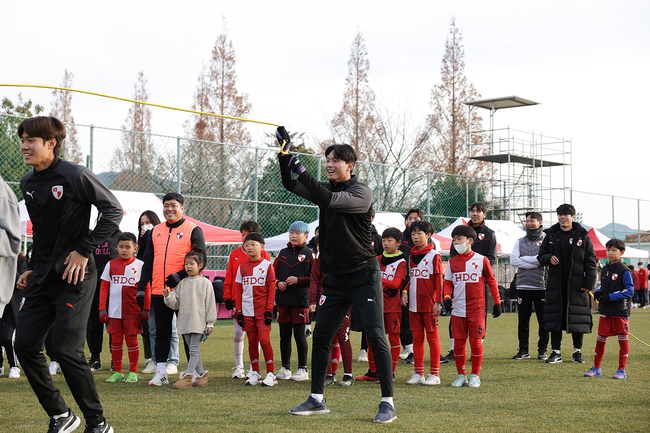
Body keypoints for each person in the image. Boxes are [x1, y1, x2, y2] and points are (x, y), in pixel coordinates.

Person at [277, 127, 395, 423]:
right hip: (335, 279)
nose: (329, 164)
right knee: (321, 335)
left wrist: (299, 165)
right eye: (327, 160)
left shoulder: (360, 192)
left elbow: (328, 199)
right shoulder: (326, 191)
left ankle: (387, 402)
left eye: (335, 160)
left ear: (350, 166)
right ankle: (317, 398)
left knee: (374, 333)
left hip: (363, 275)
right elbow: (290, 184)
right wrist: (284, 155)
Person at [15, 116, 121, 432]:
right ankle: (61, 415)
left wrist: (84, 248)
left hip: (77, 276)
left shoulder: (75, 175)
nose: (23, 145)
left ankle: (98, 423)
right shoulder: (27, 183)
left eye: (30, 140)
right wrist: (33, 266)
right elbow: (46, 235)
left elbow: (113, 210)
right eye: (21, 139)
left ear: (51, 143)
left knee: (64, 349)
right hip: (43, 276)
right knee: (25, 345)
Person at [137, 192, 206, 386]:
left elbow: (202, 260)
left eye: (173, 205)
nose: (169, 209)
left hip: (185, 291)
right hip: (160, 291)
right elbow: (148, 261)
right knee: (161, 332)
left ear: (182, 208)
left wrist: (181, 276)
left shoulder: (193, 229)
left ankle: (192, 372)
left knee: (188, 333)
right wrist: (142, 287)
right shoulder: (155, 231)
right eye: (166, 205)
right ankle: (161, 372)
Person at [537, 203, 597, 364]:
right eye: (560, 215)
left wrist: (589, 281)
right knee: (555, 319)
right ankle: (556, 352)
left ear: (573, 217)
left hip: (577, 285)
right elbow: (540, 256)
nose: (562, 217)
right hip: (556, 284)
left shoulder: (583, 236)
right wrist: (548, 258)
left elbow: (590, 261)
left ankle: (577, 352)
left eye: (566, 215)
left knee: (577, 318)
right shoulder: (550, 236)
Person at [443, 225, 501, 388]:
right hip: (458, 309)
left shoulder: (482, 260)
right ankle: (461, 375)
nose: (456, 243)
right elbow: (447, 282)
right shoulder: (452, 261)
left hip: (477, 310)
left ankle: (475, 375)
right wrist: (447, 297)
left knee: (476, 343)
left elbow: (491, 280)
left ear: (470, 241)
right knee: (459, 344)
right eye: (453, 240)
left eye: (459, 239)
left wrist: (497, 302)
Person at [444, 202, 497, 363]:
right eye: (472, 211)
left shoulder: (490, 234)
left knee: (479, 319)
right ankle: (454, 350)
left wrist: (474, 264)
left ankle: (477, 349)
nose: (474, 214)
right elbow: (453, 254)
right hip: (459, 282)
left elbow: (492, 259)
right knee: (455, 316)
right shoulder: (460, 232)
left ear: (484, 214)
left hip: (479, 282)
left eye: (478, 211)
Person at [99, 232, 151, 384]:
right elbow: (104, 288)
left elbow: (147, 288)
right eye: (121, 247)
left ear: (135, 248)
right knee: (115, 341)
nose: (124, 250)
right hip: (114, 311)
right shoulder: (111, 264)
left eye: (128, 247)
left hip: (133, 311)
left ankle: (133, 372)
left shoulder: (140, 265)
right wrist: (102, 308)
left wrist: (146, 308)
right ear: (116, 248)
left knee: (132, 341)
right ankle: (118, 372)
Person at [357, 228, 407, 383]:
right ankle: (373, 372)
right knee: (372, 338)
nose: (385, 243)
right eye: (384, 240)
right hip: (375, 304)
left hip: (392, 306)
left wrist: (378, 278)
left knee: (393, 339)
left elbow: (396, 284)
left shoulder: (402, 262)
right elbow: (367, 278)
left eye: (390, 240)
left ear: (398, 243)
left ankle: (390, 373)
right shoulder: (377, 259)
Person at [223, 221, 271, 379]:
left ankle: (254, 368)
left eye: (247, 235)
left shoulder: (264, 255)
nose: (244, 240)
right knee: (238, 333)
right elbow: (230, 276)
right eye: (242, 235)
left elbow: (269, 283)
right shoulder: (235, 254)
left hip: (259, 306)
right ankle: (239, 367)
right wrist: (227, 296)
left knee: (257, 337)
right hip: (240, 304)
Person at [163, 247, 216, 388]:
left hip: (199, 323)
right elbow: (175, 304)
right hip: (184, 322)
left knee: (193, 351)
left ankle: (187, 377)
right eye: (186, 264)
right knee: (194, 351)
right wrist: (168, 296)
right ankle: (202, 374)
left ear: (200, 266)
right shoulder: (181, 283)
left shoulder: (206, 283)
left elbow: (210, 304)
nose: (188, 266)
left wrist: (210, 323)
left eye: (191, 263)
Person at [400, 221, 442, 385]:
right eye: (412, 234)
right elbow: (413, 278)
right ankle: (419, 373)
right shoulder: (411, 255)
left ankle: (435, 375)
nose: (415, 237)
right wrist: (404, 291)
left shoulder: (435, 255)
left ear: (428, 235)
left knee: (432, 339)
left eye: (419, 233)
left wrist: (438, 301)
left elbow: (439, 280)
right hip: (414, 305)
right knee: (417, 339)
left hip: (429, 304)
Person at [585, 239, 634, 379]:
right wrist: (599, 291)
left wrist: (611, 297)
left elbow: (630, 291)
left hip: (620, 311)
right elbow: (604, 286)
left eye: (614, 250)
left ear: (621, 252)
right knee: (600, 339)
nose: (610, 253)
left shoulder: (624, 270)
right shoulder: (605, 268)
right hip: (605, 311)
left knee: (623, 340)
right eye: (608, 250)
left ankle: (621, 370)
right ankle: (596, 368)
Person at [233, 232, 276, 386]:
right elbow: (238, 290)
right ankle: (256, 373)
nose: (249, 247)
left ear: (261, 247)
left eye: (253, 244)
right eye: (246, 245)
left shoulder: (268, 265)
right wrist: (239, 311)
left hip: (262, 311)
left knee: (264, 340)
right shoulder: (241, 267)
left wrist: (269, 310)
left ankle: (271, 374)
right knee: (252, 341)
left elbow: (272, 290)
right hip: (247, 311)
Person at [311, 236, 354, 387]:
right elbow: (314, 279)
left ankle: (348, 375)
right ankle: (329, 374)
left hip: (344, 300)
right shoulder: (320, 257)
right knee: (327, 336)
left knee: (343, 336)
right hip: (326, 300)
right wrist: (312, 301)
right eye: (317, 245)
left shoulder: (347, 253)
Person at [273, 221, 313, 381]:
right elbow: (272, 274)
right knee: (284, 335)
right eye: (291, 233)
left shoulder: (310, 254)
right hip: (283, 301)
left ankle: (303, 369)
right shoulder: (282, 253)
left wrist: (298, 280)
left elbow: (315, 278)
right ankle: (285, 368)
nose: (294, 236)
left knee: (299, 335)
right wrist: (278, 283)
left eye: (298, 233)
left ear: (306, 236)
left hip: (300, 301)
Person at [509, 211, 549, 360]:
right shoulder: (519, 241)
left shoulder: (546, 240)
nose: (529, 223)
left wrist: (526, 260)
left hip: (541, 286)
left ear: (540, 223)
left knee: (543, 321)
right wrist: (534, 264)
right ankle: (523, 350)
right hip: (523, 286)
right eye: (527, 221)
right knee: (523, 321)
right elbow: (513, 260)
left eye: (532, 221)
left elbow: (544, 259)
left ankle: (542, 350)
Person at [88, 215, 122, 372]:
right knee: (94, 323)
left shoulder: (121, 237)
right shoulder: (91, 236)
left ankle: (115, 360)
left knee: (113, 324)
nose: (104, 219)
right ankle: (95, 359)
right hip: (94, 285)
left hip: (114, 286)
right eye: (101, 216)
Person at [0, 174, 21, 379]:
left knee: (7, 335)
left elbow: (13, 241)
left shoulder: (3, 193)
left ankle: (14, 365)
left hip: (8, 293)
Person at [396, 208, 423, 363]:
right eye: (410, 218)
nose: (412, 221)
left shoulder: (428, 239)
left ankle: (420, 350)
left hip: (422, 284)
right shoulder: (400, 238)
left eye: (416, 218)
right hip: (404, 283)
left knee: (422, 318)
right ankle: (410, 349)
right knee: (405, 317)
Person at [137, 210, 161, 374]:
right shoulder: (142, 243)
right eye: (142, 223)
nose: (145, 226)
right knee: (147, 323)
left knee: (163, 325)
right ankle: (150, 357)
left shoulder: (161, 238)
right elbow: (141, 260)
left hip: (160, 285)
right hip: (146, 287)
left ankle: (167, 359)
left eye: (148, 222)